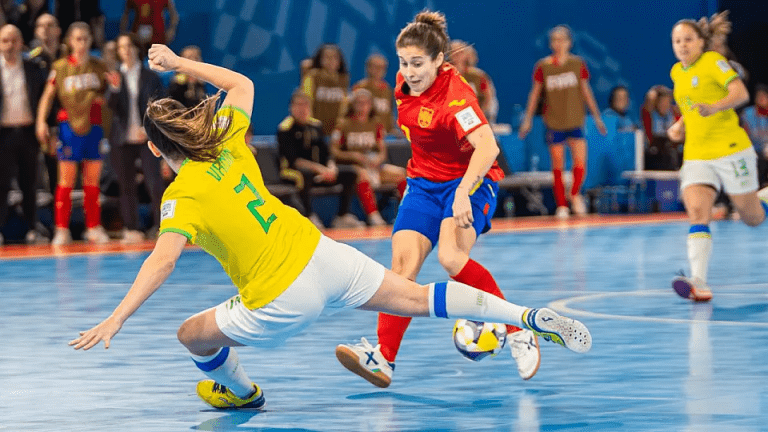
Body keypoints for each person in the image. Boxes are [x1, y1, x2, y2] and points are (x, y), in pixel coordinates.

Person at [68, 44, 592, 410]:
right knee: (418, 295)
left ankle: (241, 392)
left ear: (156, 150)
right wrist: (180, 61)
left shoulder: (180, 197)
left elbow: (162, 260)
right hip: (323, 254)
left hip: (281, 298)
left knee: (191, 336)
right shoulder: (227, 136)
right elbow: (242, 84)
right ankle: (522, 316)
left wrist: (116, 319)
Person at [335, 11, 544, 387]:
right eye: (404, 63)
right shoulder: (402, 82)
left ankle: (518, 330)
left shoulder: (456, 98)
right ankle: (384, 359)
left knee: (451, 258)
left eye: (418, 63)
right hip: (423, 184)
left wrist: (463, 191)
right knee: (401, 272)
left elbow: (488, 147)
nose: (410, 71)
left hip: (469, 182)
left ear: (438, 61)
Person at [667, 14, 768, 302]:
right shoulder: (677, 73)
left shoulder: (713, 62)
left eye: (688, 39)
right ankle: (698, 282)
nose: (682, 46)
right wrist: (680, 126)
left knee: (752, 218)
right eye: (677, 41)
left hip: (731, 149)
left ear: (701, 42)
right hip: (697, 155)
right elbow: (689, 107)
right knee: (698, 213)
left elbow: (740, 93)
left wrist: (715, 106)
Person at [519, 25, 607, 219]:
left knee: (580, 163)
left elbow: (586, 92)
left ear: (569, 42)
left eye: (562, 40)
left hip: (575, 120)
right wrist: (527, 120)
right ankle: (561, 205)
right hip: (555, 122)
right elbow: (534, 94)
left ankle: (574, 193)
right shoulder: (543, 66)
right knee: (557, 165)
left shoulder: (578, 64)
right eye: (555, 40)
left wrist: (598, 118)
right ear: (551, 43)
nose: (558, 44)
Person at [35, 21, 110, 245]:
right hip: (68, 127)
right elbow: (48, 96)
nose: (82, 43)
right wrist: (40, 122)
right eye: (78, 38)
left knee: (92, 181)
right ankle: (61, 229)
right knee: (65, 181)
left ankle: (94, 227)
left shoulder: (99, 66)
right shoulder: (59, 67)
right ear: (70, 41)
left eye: (86, 38)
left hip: (94, 127)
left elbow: (110, 97)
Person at [105, 33, 165, 243]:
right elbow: (110, 107)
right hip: (121, 139)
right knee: (126, 185)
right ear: (118, 52)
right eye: (121, 47)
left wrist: (149, 128)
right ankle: (131, 228)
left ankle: (161, 226)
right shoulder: (115, 75)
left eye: (129, 45)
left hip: (147, 137)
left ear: (137, 48)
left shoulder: (150, 76)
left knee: (154, 183)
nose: (126, 50)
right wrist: (113, 88)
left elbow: (160, 106)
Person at [277, 90, 362, 229]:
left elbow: (326, 154)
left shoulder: (316, 126)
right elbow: (294, 160)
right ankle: (308, 215)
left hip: (319, 170)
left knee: (351, 173)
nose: (302, 109)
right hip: (290, 171)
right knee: (304, 175)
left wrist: (331, 168)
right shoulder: (285, 128)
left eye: (305, 105)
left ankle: (343, 216)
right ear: (291, 108)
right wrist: (319, 169)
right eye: (298, 105)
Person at [330, 88, 407, 226]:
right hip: (353, 167)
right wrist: (353, 155)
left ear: (371, 105)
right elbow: (334, 151)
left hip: (373, 165)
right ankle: (374, 216)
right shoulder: (343, 124)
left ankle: (407, 214)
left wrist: (378, 159)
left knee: (401, 174)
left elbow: (382, 150)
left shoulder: (376, 124)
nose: (363, 106)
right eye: (359, 103)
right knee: (362, 174)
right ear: (353, 104)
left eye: (366, 103)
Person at [0, 24, 47, 245]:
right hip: (3, 135)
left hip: (28, 133)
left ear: (20, 43)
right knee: (1, 184)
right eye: (4, 40)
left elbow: (44, 99)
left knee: (30, 184)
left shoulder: (33, 67)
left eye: (13, 40)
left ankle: (32, 228)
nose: (9, 45)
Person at [28, 13, 65, 197]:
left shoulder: (68, 56)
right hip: (41, 124)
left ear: (58, 30)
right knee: (39, 175)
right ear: (35, 31)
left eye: (50, 25)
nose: (45, 29)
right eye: (41, 26)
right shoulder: (30, 61)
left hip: (67, 122)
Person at [301, 44, 349, 136]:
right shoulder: (312, 76)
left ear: (340, 61)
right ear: (320, 59)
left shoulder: (343, 79)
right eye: (327, 57)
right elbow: (306, 101)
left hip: (335, 131)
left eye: (335, 58)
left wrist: (340, 126)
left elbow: (344, 105)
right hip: (315, 129)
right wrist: (310, 125)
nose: (331, 61)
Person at [449, 40, 498, 123]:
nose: (456, 55)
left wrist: (479, 118)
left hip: (478, 118)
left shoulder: (478, 76)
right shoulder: (445, 75)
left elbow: (489, 100)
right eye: (453, 52)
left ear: (466, 55)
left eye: (460, 52)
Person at [352, 53, 397, 135]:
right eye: (376, 67)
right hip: (365, 135)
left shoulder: (387, 89)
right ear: (368, 68)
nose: (379, 70)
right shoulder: (359, 88)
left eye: (382, 68)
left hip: (384, 135)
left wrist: (391, 129)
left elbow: (389, 113)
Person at [642, 86, 681, 170]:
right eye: (662, 102)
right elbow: (650, 96)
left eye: (667, 102)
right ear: (656, 103)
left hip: (670, 156)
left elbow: (689, 104)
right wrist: (660, 90)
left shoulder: (674, 114)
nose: (664, 105)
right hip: (654, 156)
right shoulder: (649, 116)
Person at [741, 84, 768, 188]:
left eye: (764, 96)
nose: (761, 99)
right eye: (759, 96)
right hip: (754, 150)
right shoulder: (748, 114)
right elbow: (744, 135)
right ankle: (760, 185)